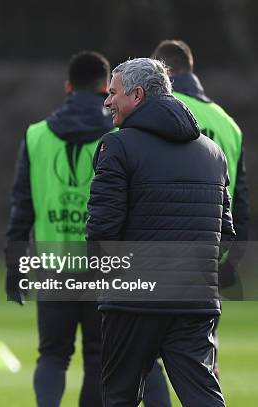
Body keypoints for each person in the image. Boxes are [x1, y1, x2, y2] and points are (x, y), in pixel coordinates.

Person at [4, 51, 171, 407]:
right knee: (98, 357)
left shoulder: (36, 135)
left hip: (53, 262)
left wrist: (14, 266)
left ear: (68, 87)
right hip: (104, 265)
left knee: (51, 354)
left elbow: (22, 207)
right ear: (105, 87)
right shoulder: (120, 133)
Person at [87, 58, 231, 406]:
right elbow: (225, 232)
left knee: (120, 395)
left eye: (113, 93)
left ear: (137, 95)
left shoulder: (117, 146)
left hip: (134, 299)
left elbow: (103, 229)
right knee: (202, 395)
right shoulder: (213, 153)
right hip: (196, 298)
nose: (107, 102)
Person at [151, 39, 249, 293]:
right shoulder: (229, 126)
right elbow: (239, 199)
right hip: (211, 254)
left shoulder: (155, 110)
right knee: (202, 331)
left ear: (163, 73)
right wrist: (232, 261)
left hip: (160, 251)